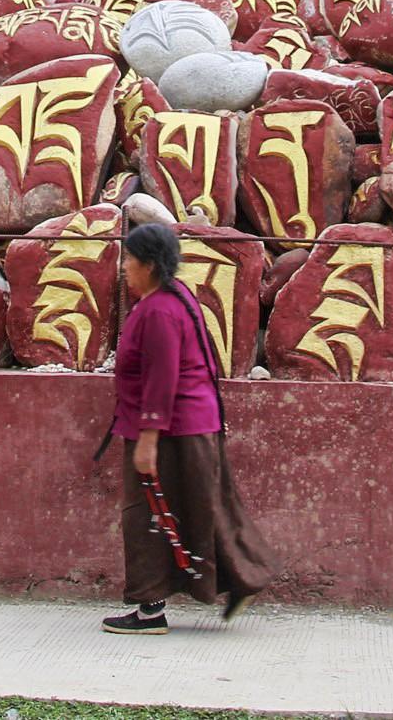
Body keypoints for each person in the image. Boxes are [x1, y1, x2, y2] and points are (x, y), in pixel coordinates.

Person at [102, 221, 272, 634]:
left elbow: (162, 377)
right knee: (201, 507)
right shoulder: (178, 297)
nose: (124, 267)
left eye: (130, 259)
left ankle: (149, 610)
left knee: (146, 514)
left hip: (172, 431)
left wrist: (148, 438)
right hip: (194, 425)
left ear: (150, 265)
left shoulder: (160, 310)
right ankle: (243, 578)